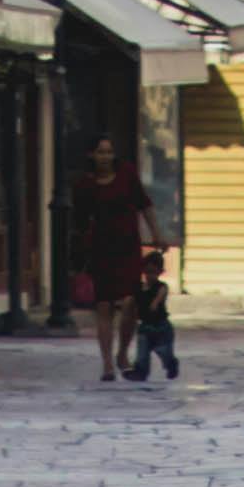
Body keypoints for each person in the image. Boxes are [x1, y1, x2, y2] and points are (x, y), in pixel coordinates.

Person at [68, 138, 152, 383]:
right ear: (91, 155)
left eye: (109, 152)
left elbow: (144, 205)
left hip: (128, 246)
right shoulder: (85, 184)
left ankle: (123, 352)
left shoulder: (127, 174)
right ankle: (106, 363)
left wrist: (156, 233)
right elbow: (81, 222)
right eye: (100, 152)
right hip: (101, 248)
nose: (105, 156)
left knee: (130, 303)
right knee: (103, 306)